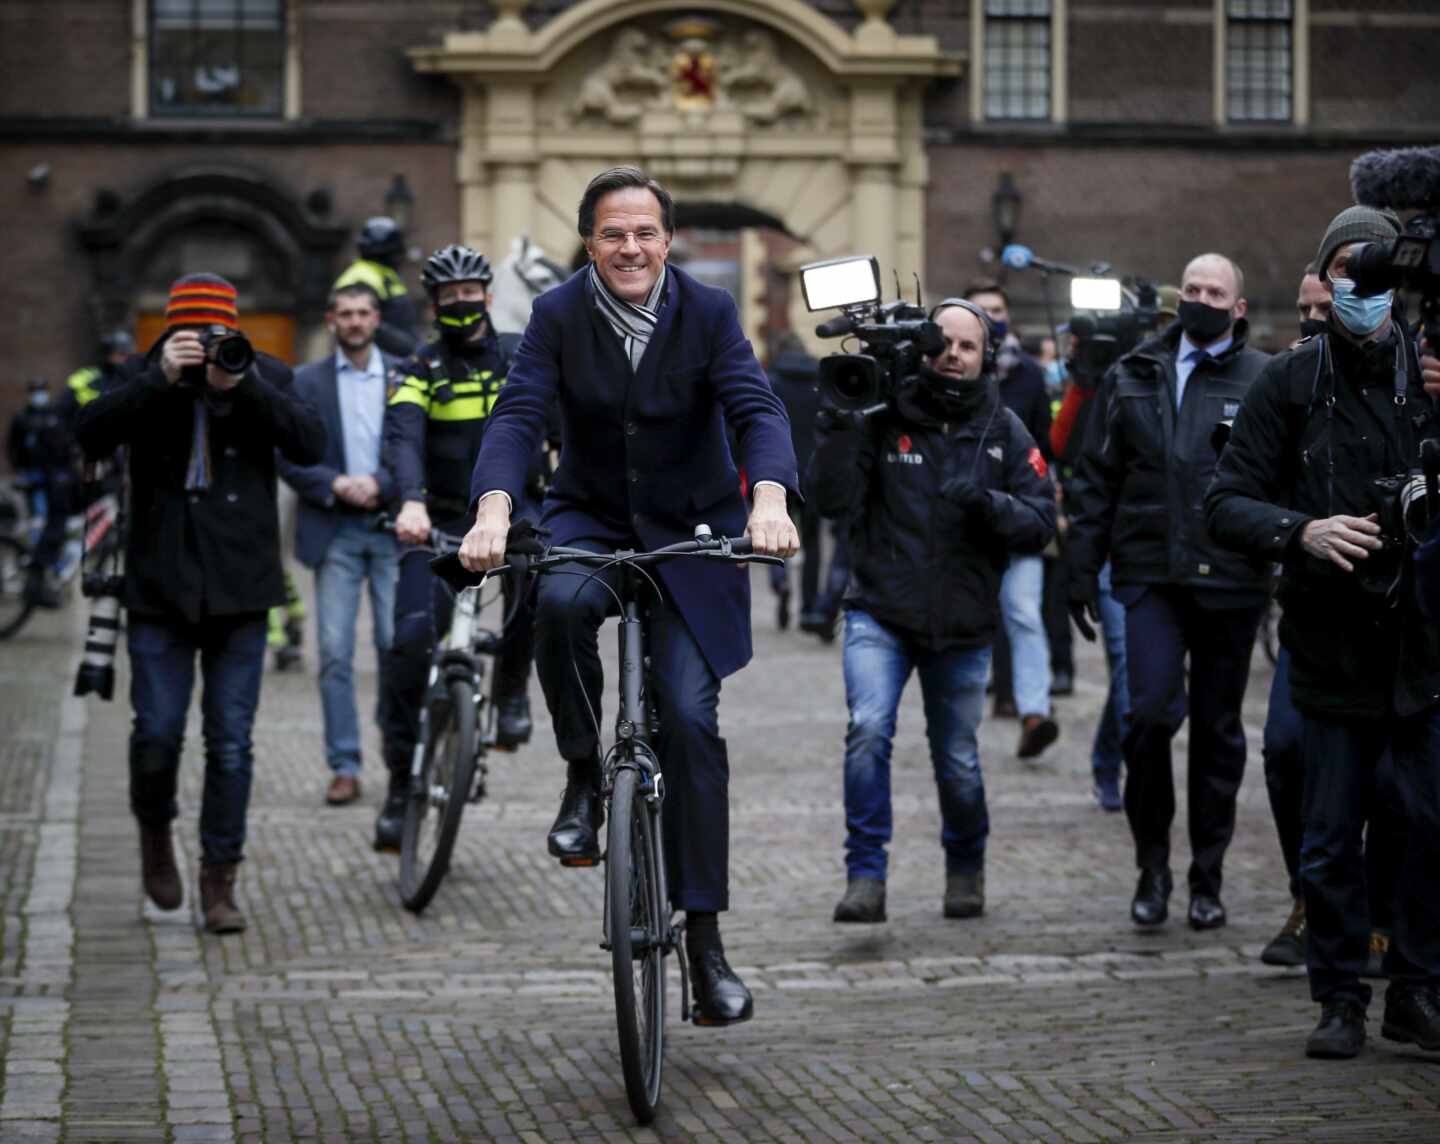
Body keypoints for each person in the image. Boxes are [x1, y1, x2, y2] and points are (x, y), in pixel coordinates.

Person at [458, 166, 799, 1026]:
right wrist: (494, 508)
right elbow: (517, 414)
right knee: (560, 603)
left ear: (668, 240)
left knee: (689, 723)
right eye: (614, 233)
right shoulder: (557, 313)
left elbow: (756, 409)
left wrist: (768, 498)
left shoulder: (711, 312)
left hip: (693, 529)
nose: (631, 247)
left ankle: (708, 944)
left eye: (646, 232)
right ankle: (582, 775)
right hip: (595, 516)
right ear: (589, 242)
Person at [1206, 205, 1440, 1059]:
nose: (1364, 289)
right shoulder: (1290, 382)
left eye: (1380, 272)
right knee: (1333, 835)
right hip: (1331, 637)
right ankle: (1338, 995)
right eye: (1348, 271)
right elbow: (1225, 502)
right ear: (1322, 281)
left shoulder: (1433, 374)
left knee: (1425, 822)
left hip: (1422, 643)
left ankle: (1416, 990)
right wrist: (1300, 531)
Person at [74, 273, 325, 933]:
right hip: (158, 585)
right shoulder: (140, 372)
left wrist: (238, 388)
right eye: (193, 333)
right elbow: (89, 435)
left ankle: (220, 879)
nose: (208, 344)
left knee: (231, 742)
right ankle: (155, 834)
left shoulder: (262, 373)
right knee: (156, 731)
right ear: (171, 331)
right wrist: (158, 377)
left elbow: (310, 443)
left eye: (219, 332)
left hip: (241, 590)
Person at [809, 298, 1057, 924]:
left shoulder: (1003, 429)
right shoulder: (884, 415)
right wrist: (840, 425)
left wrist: (988, 505)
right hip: (880, 612)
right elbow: (829, 501)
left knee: (958, 760)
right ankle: (865, 874)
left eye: (967, 346)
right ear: (921, 347)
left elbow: (1040, 522)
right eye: (942, 342)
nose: (953, 354)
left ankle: (966, 863)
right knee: (868, 732)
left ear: (985, 356)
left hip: (964, 623)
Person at [1067, 253, 1271, 933]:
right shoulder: (1134, 373)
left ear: (1238, 307)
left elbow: (1278, 481)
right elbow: (1096, 477)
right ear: (1175, 296)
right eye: (1192, 288)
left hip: (1229, 578)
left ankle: (1205, 878)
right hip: (1150, 572)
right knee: (1149, 715)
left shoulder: (1263, 378)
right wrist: (1079, 565)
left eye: (1216, 292)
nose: (1202, 299)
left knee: (1217, 733)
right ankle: (1151, 865)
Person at [372, 243, 540, 851]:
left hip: (519, 512)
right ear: (434, 304)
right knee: (409, 646)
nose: (462, 305)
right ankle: (398, 787)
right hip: (436, 520)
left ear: (489, 296)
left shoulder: (520, 356)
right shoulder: (418, 365)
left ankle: (513, 689)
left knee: (539, 581)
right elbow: (403, 435)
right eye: (449, 298)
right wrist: (410, 500)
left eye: (471, 294)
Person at [277, 283, 401, 806]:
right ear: (331, 320)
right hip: (335, 529)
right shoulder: (304, 382)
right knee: (332, 654)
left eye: (362, 313)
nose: (354, 322)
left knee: (397, 649)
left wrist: (383, 481)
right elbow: (285, 452)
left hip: (395, 528)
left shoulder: (405, 373)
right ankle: (344, 764)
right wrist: (331, 482)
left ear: (375, 319)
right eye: (345, 313)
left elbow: (420, 445)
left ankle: (402, 759)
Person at [963, 282, 1058, 758]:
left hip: (1017, 513)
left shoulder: (1028, 377)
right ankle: (961, 719)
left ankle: (1034, 711)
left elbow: (1044, 443)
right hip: (963, 522)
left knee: (1023, 614)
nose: (991, 317)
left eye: (997, 310)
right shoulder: (943, 372)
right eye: (981, 310)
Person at [7, 377, 77, 607]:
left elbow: (65, 445)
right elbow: (14, 447)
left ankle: (48, 566)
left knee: (53, 522)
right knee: (43, 521)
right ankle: (39, 569)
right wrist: (21, 470)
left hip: (55, 477)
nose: (39, 395)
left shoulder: (54, 415)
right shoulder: (23, 418)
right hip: (35, 477)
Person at [333, 217, 420, 358]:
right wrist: (411, 347)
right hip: (377, 360)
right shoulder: (361, 277)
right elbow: (369, 326)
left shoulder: (385, 274)